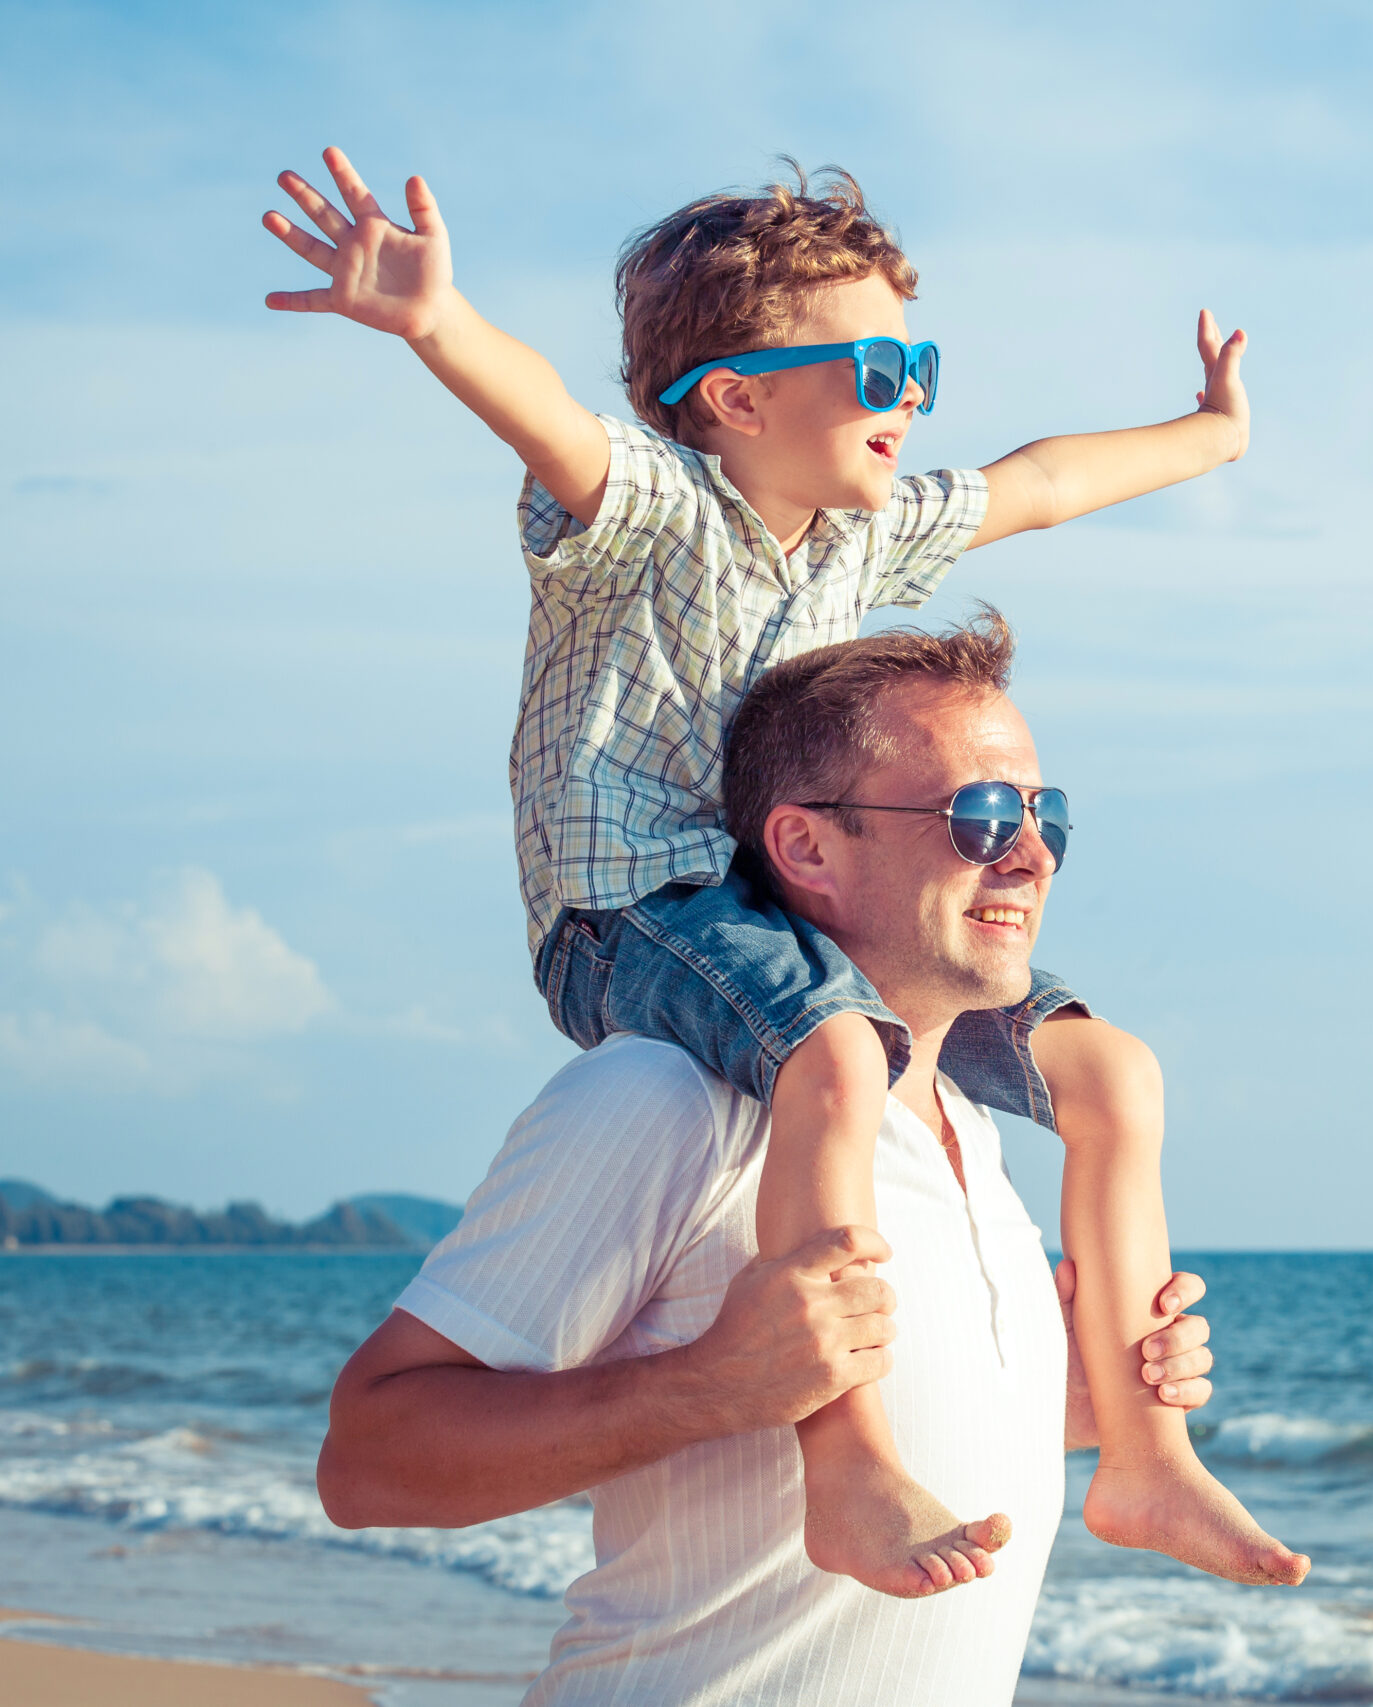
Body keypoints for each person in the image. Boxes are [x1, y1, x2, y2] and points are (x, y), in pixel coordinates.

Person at [260, 148, 1304, 1594]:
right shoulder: (646, 513)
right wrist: (438, 322)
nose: (914, 395)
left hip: (774, 911)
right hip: (633, 908)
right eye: (877, 367)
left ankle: (1145, 1453)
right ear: (740, 397)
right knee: (833, 1057)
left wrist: (1214, 437)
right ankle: (848, 1458)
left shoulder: (859, 538)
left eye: (921, 360)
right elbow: (553, 421)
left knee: (1113, 1072)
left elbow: (1043, 484)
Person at [319, 612, 1230, 1704]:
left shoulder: (978, 1143)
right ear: (805, 848)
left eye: (1046, 815)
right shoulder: (665, 1101)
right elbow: (366, 1462)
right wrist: (705, 1390)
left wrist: (1070, 1405)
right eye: (980, 817)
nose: (1031, 856)